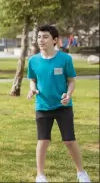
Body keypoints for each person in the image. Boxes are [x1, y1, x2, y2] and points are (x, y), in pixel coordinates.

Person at [27, 25, 90, 183]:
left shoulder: (65, 59)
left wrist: (68, 94)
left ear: (55, 40)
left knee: (69, 141)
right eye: (39, 37)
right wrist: (33, 89)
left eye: (45, 37)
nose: (41, 40)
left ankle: (81, 173)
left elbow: (71, 81)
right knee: (43, 141)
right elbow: (32, 79)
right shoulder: (33, 60)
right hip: (42, 106)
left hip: (63, 106)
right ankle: (40, 176)